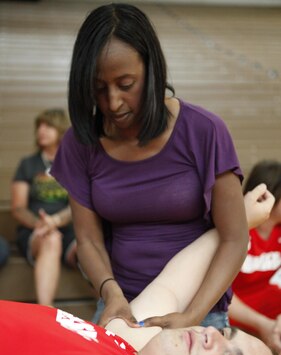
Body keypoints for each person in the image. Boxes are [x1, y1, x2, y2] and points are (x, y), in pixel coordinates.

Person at [1, 186, 280, 355]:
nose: (211, 335)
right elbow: (173, 284)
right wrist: (240, 221)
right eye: (223, 333)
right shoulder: (131, 344)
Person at [51, 3, 249, 329]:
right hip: (122, 307)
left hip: (198, 310)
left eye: (126, 84)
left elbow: (234, 239)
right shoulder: (80, 143)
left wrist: (191, 316)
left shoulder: (204, 131)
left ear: (152, 70)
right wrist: (111, 293)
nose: (112, 102)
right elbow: (88, 240)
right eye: (99, 89)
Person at [11, 109, 77, 306]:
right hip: (36, 231)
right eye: (39, 126)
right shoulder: (28, 164)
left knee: (91, 249)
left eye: (48, 126)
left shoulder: (73, 164)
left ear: (61, 129)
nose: (41, 130)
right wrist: (41, 224)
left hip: (69, 229)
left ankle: (111, 309)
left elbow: (80, 204)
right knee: (51, 239)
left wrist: (56, 221)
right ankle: (46, 312)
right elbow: (18, 208)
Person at [229, 160, 281, 354]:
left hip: (271, 318)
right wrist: (263, 325)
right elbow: (218, 294)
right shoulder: (236, 230)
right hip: (235, 318)